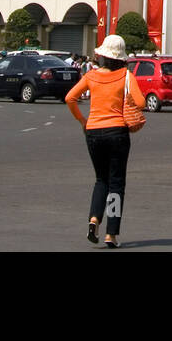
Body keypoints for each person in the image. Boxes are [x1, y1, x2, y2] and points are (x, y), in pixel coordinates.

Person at [65, 34, 146, 248]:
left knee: (101, 179)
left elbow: (70, 98)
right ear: (121, 58)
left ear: (102, 56)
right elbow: (141, 101)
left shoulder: (91, 76)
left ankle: (94, 220)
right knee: (116, 183)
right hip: (117, 132)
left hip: (93, 132)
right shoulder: (126, 76)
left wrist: (83, 120)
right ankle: (111, 234)